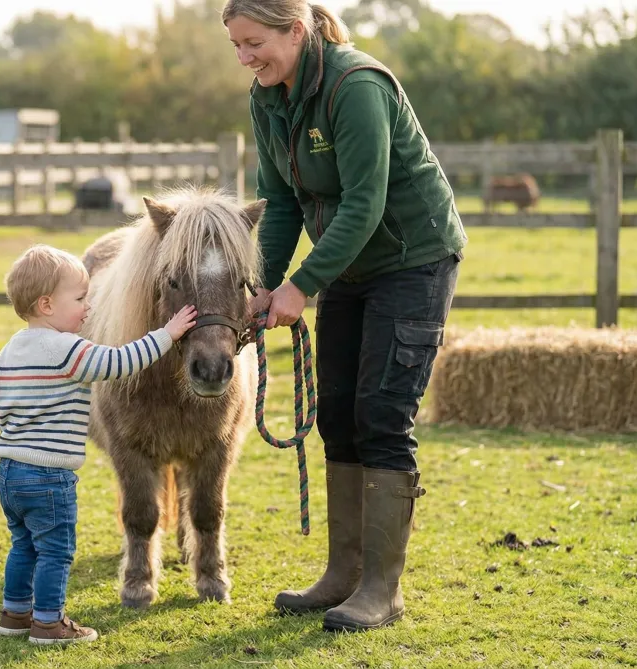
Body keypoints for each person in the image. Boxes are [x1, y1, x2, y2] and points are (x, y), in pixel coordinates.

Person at [224, 0, 467, 632]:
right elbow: (279, 204)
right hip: (349, 266)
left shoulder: (356, 85)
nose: (247, 58)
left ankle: (382, 590)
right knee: (336, 412)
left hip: (413, 259)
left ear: (296, 30)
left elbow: (364, 202)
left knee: (382, 413)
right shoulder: (267, 97)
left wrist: (300, 287)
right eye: (237, 47)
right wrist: (262, 287)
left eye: (255, 43)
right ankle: (342, 575)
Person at [0, 244, 198, 645]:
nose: (90, 307)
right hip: (49, 476)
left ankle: (15, 613)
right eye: (81, 299)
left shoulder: (8, 351)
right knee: (55, 551)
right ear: (47, 305)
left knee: (23, 546)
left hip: (10, 472)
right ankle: (49, 623)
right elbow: (120, 363)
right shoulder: (70, 350)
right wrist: (168, 334)